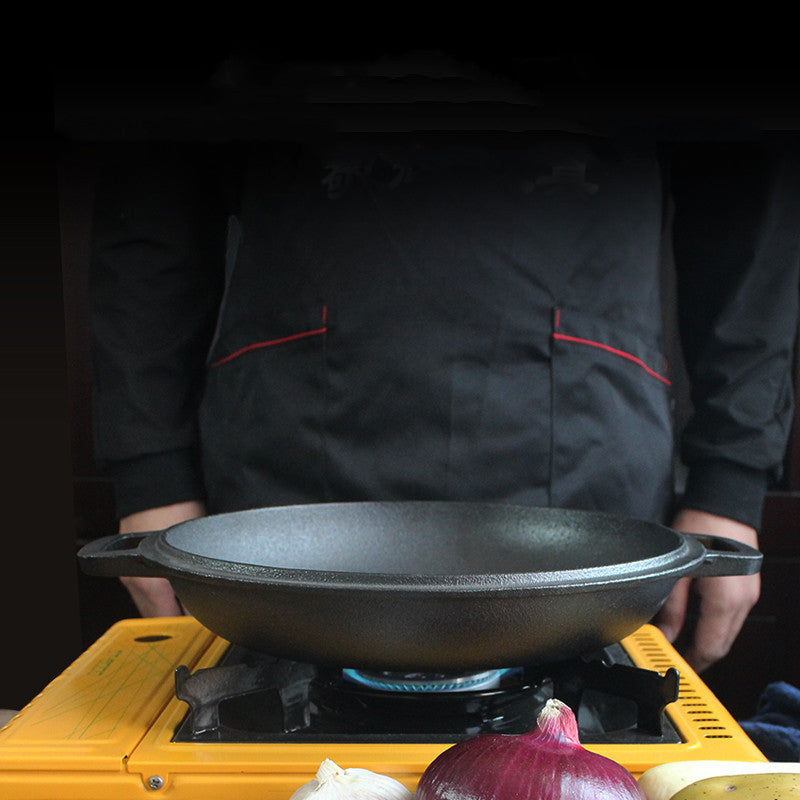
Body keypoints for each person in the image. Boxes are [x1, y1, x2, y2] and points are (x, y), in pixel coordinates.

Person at [87, 50, 800, 673]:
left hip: (585, 456)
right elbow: (150, 185)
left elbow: (751, 191)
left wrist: (730, 485)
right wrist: (152, 469)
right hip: (286, 452)